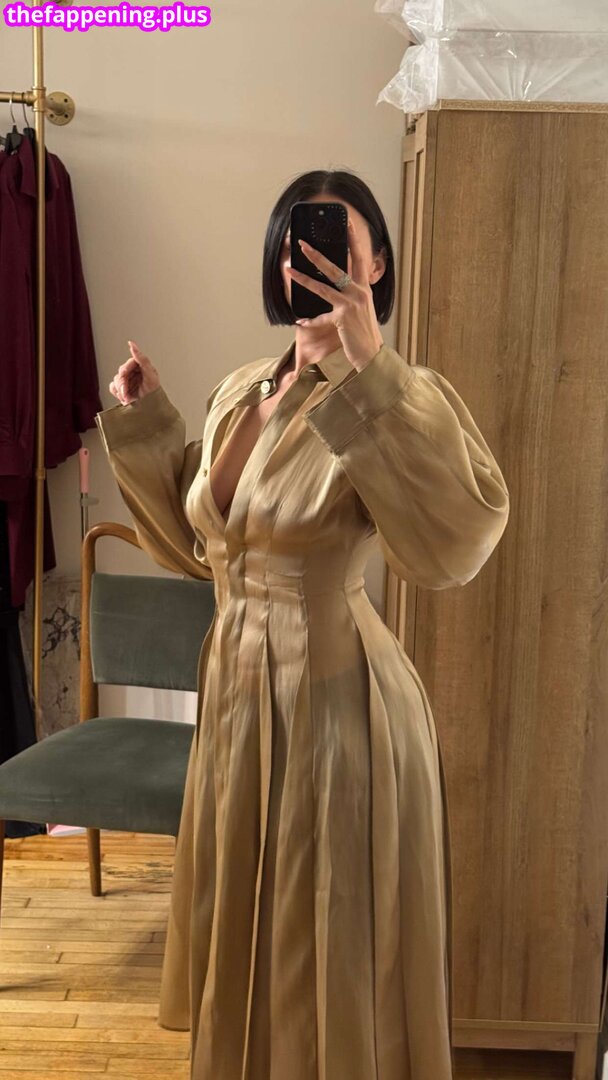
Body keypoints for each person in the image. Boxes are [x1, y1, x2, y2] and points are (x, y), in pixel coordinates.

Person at [96, 168, 510, 1080]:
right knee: (251, 937)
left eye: (332, 242)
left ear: (376, 264)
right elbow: (206, 542)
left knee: (323, 951)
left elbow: (457, 542)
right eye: (295, 241)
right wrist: (148, 417)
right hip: (236, 701)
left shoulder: (400, 396)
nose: (308, 258)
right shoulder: (244, 388)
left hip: (338, 709)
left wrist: (374, 368)